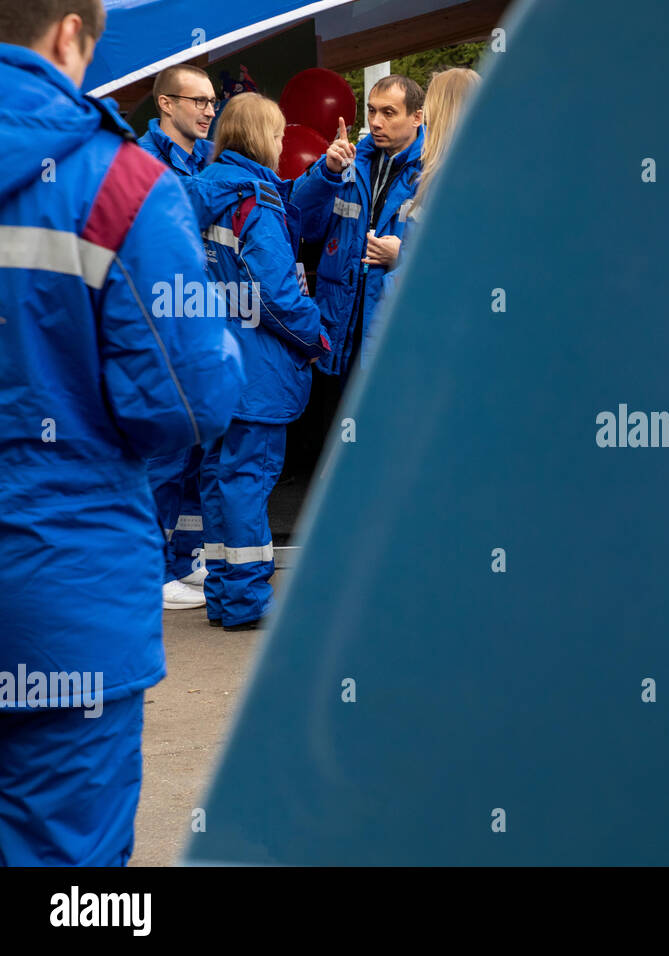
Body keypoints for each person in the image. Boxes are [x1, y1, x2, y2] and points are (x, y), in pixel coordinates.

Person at [0, 0, 242, 864]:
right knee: (73, 868)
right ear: (69, 32)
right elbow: (189, 400)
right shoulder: (121, 184)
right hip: (62, 590)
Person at [187, 93, 331, 631]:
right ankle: (245, 601)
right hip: (258, 370)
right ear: (258, 138)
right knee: (248, 480)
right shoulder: (255, 202)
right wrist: (317, 334)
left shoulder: (203, 192)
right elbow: (274, 295)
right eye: (276, 135)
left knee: (220, 480)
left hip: (211, 364)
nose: (280, 145)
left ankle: (225, 594)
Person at [138, 63, 220, 609]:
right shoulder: (141, 162)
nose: (210, 110)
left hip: (198, 324)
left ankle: (181, 558)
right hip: (159, 326)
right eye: (199, 101)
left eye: (213, 101)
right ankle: (146, 576)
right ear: (166, 104)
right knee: (161, 457)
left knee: (191, 453)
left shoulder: (204, 157)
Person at [291, 74, 425, 384]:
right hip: (338, 331)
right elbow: (302, 223)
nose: (376, 122)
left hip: (394, 336)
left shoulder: (433, 171)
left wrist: (402, 255)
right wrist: (326, 172)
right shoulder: (346, 162)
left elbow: (454, 256)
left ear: (416, 117)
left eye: (388, 113)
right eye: (372, 111)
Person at [365, 67, 481, 370]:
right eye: (372, 111)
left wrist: (399, 254)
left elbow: (454, 266)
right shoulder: (468, 170)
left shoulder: (454, 177)